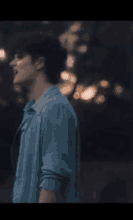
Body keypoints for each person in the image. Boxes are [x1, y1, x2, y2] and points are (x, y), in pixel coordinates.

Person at [8, 31, 80, 203]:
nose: (12, 63)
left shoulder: (55, 108)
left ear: (40, 63)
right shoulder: (33, 111)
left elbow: (52, 183)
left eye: (19, 57)